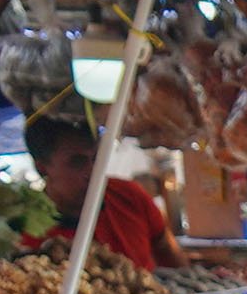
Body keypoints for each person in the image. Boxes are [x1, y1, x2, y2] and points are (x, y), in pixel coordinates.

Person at [25, 115, 183, 274]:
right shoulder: (24, 233)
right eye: (77, 162)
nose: (92, 171)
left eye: (96, 159)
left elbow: (167, 249)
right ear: (41, 168)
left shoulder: (130, 195)